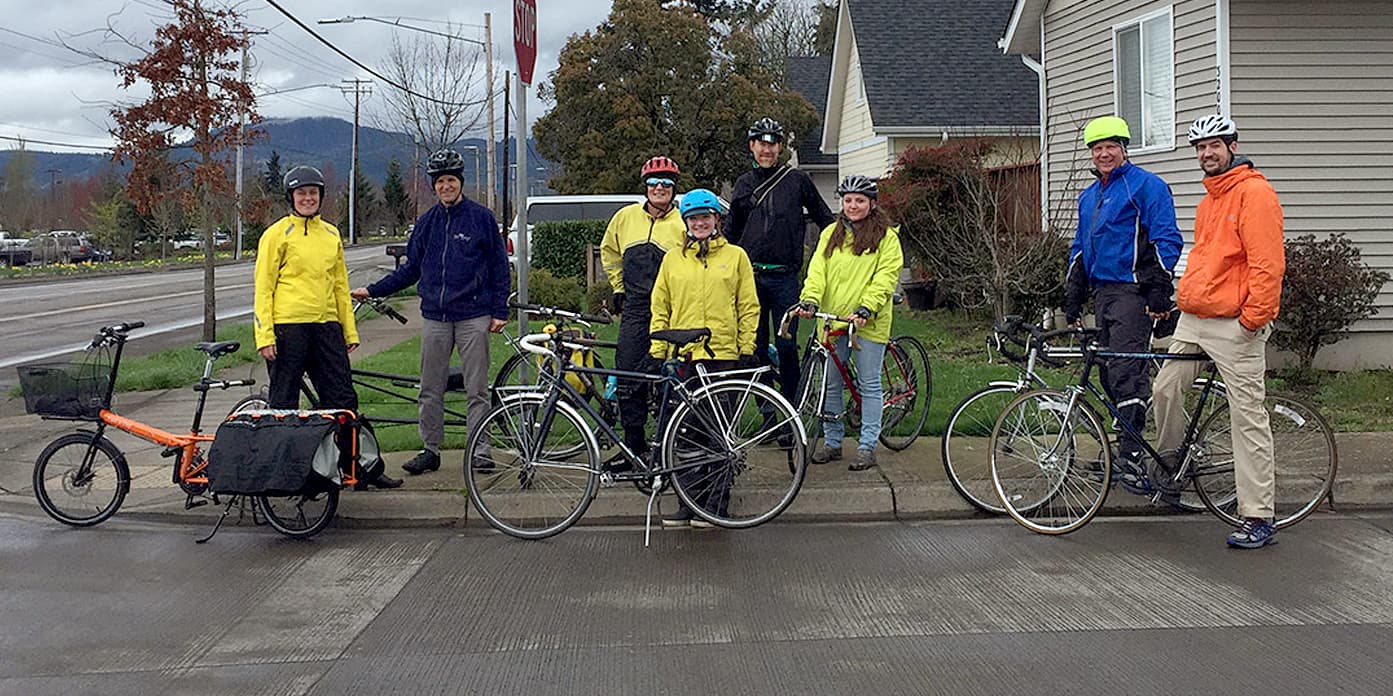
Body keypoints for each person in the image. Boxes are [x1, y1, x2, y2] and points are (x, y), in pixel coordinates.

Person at [1152, 115, 1285, 549]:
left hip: (1235, 323)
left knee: (1246, 418)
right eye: (1200, 147)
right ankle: (1171, 471)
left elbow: (1267, 263)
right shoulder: (1211, 198)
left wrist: (1253, 319)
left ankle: (1258, 515)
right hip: (1196, 318)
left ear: (1232, 147)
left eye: (1214, 145)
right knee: (1165, 388)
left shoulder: (1254, 194)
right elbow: (1209, 261)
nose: (1206, 153)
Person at [350, 149, 510, 476]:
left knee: (477, 388)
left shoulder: (481, 218)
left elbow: (499, 268)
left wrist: (499, 309)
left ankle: (480, 450)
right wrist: (373, 290)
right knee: (430, 387)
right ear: (433, 186)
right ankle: (430, 449)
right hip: (436, 317)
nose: (445, 186)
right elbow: (410, 270)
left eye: (451, 180)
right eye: (440, 182)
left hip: (473, 315)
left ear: (460, 182)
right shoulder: (426, 223)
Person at [254, 165, 401, 489]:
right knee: (284, 404)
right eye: (301, 193)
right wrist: (264, 336)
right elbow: (263, 289)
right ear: (291, 197)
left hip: (326, 329)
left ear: (320, 196)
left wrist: (349, 330)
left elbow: (340, 287)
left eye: (313, 193)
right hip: (288, 329)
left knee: (344, 400)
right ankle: (284, 474)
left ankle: (361, 469)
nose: (308, 198)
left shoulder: (331, 234)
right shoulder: (276, 235)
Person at [1064, 115, 1183, 478]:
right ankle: (1124, 448)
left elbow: (1166, 239)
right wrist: (1073, 293)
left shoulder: (1146, 186)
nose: (1104, 154)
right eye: (1097, 148)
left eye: (1111, 147)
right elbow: (1081, 247)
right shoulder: (1090, 196)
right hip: (1103, 293)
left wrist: (1159, 288)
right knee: (1106, 373)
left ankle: (1131, 456)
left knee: (1126, 373)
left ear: (1124, 149)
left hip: (1134, 293)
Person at [648, 188, 759, 528]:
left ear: (716, 220)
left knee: (719, 435)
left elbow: (748, 305)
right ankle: (689, 501)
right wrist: (657, 350)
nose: (699, 224)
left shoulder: (736, 257)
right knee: (686, 434)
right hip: (685, 355)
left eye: (705, 218)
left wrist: (746, 346)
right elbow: (661, 304)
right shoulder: (673, 259)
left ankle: (716, 506)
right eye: (693, 219)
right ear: (686, 222)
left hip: (723, 355)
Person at [795, 175, 903, 472]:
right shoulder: (830, 233)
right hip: (833, 320)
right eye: (848, 200)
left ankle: (867, 446)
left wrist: (867, 306)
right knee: (830, 383)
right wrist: (810, 299)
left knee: (869, 384)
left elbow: (885, 278)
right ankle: (833, 442)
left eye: (860, 201)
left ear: (872, 204)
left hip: (867, 321)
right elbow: (817, 271)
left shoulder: (886, 238)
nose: (853, 206)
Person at [727, 117, 836, 408]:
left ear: (780, 148)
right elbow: (731, 232)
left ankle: (791, 410)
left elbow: (825, 219)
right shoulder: (743, 184)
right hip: (750, 278)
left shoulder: (797, 180)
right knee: (756, 348)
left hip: (785, 278)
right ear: (752, 146)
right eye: (761, 144)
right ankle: (767, 414)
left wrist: (836, 250)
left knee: (787, 346)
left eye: (773, 144)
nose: (767, 150)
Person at [599, 156, 688, 458]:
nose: (659, 188)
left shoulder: (683, 221)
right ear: (645, 187)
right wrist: (618, 287)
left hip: (673, 309)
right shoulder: (625, 217)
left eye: (666, 183)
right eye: (653, 182)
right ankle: (633, 447)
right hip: (636, 306)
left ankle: (670, 444)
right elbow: (610, 252)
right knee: (629, 374)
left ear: (674, 188)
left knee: (671, 376)